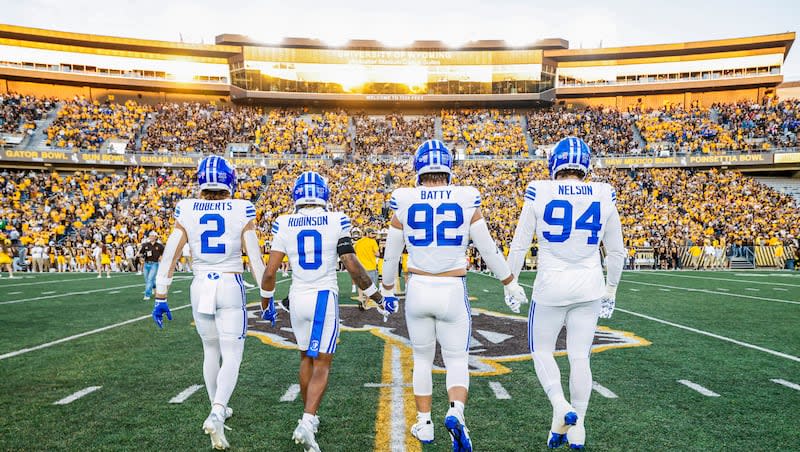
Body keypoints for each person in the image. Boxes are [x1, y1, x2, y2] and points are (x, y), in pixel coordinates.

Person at [380, 139, 527, 451]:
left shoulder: (404, 199)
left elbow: (391, 255)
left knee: (421, 358)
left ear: (418, 168)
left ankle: (424, 423)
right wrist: (509, 282)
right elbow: (487, 248)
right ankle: (456, 412)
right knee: (457, 358)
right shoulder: (464, 197)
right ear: (448, 168)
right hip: (451, 287)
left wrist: (387, 290)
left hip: (418, 288)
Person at [260, 170, 396, 452]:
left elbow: (270, 272)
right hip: (323, 296)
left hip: (297, 297)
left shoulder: (284, 222)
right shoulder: (336, 220)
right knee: (322, 362)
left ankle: (310, 416)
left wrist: (266, 303)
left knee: (305, 357)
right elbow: (351, 263)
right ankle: (307, 422)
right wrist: (376, 297)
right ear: (324, 194)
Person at [506, 136, 625, 449]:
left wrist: (511, 280)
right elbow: (616, 252)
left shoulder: (539, 189)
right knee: (579, 356)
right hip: (590, 284)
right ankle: (579, 426)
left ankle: (560, 405)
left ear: (555, 162)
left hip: (550, 286)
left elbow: (519, 243)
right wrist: (611, 289)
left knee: (542, 351)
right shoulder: (603, 192)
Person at [150, 156, 266, 450]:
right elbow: (254, 257)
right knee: (232, 352)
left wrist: (161, 294)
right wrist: (266, 295)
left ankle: (219, 409)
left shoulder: (187, 208)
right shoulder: (242, 208)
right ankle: (217, 410)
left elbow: (171, 254)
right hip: (229, 282)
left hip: (200, 284)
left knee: (210, 350)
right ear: (230, 180)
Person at [354, 227, 380, 309]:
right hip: (370, 267)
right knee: (371, 287)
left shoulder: (358, 242)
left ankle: (361, 299)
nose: (373, 235)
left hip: (360, 267)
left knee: (361, 284)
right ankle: (366, 303)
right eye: (372, 233)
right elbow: (377, 254)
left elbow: (354, 253)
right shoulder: (372, 242)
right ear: (368, 233)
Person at [139, 231, 164, 300]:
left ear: (156, 237)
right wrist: (141, 257)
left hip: (154, 264)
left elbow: (164, 253)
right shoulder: (145, 245)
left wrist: (161, 257)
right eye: (150, 236)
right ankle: (154, 287)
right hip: (146, 263)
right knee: (147, 280)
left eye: (152, 236)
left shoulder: (159, 246)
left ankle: (147, 295)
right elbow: (141, 253)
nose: (151, 237)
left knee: (150, 279)